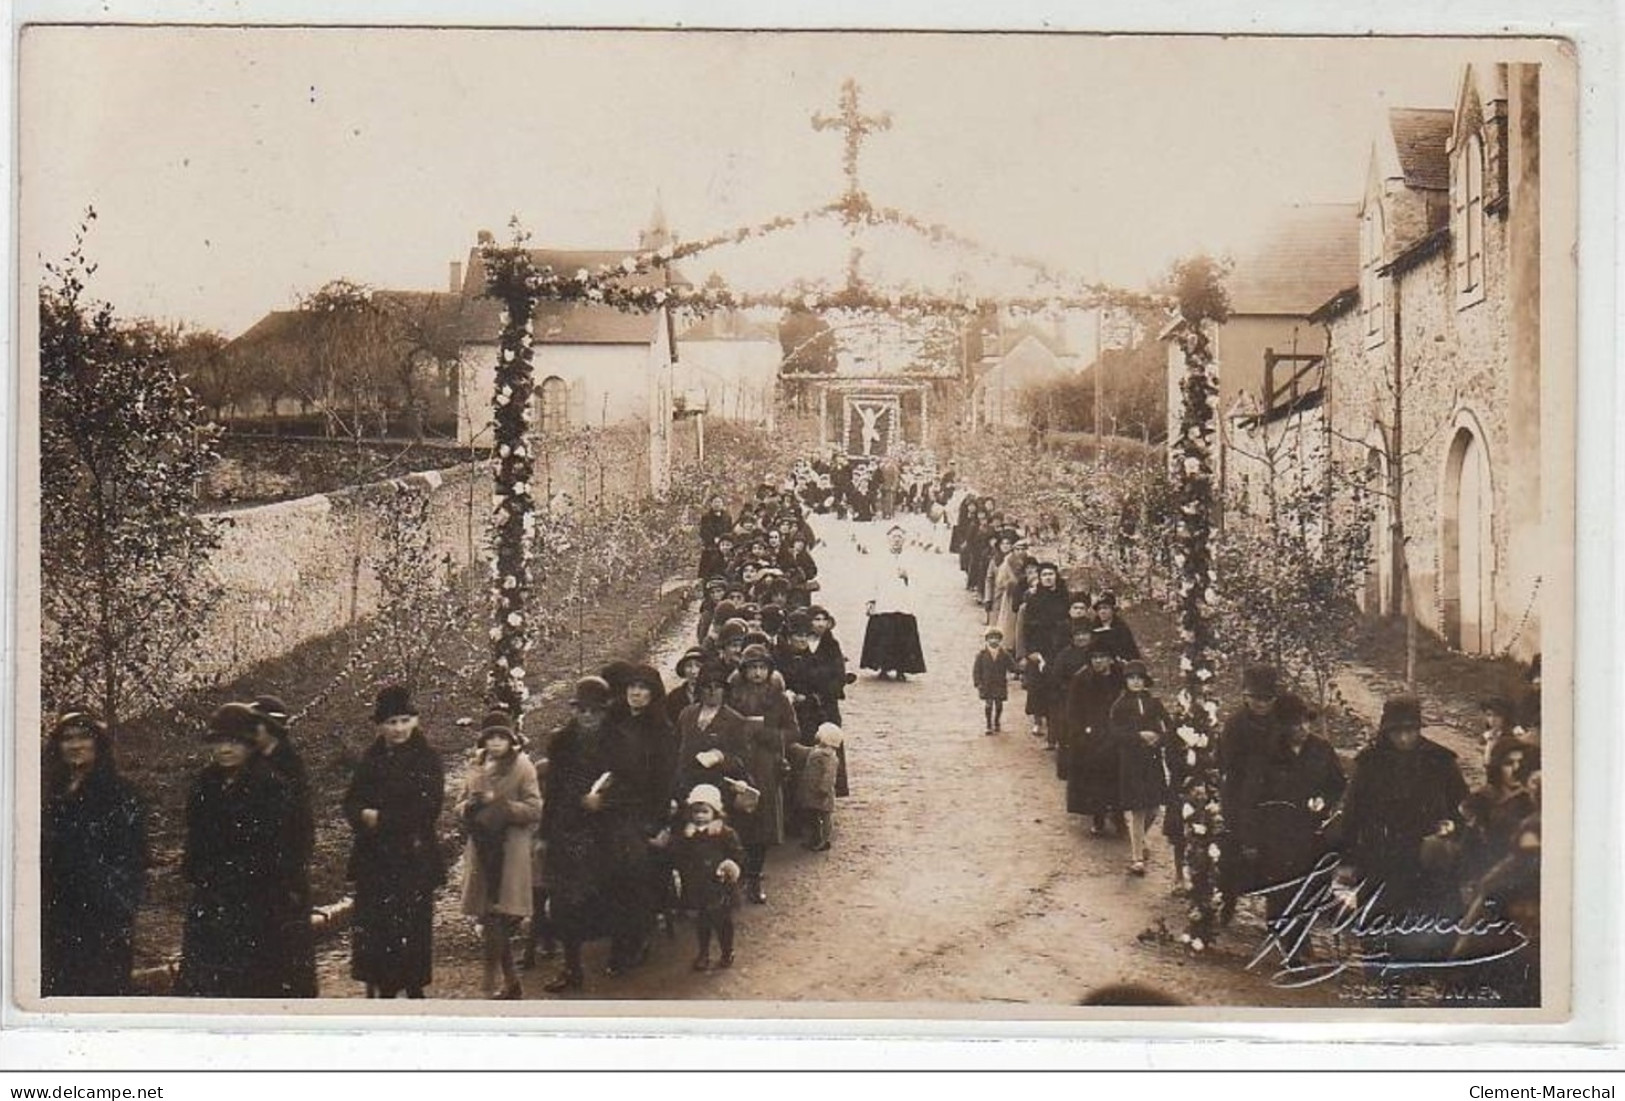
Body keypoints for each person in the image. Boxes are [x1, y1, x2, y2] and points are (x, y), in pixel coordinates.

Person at [537, 676, 651, 992]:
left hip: (607, 828)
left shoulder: (621, 742)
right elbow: (554, 791)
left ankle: (619, 951)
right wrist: (545, 834)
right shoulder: (561, 742)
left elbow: (635, 787)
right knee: (563, 901)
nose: (587, 717)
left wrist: (605, 800)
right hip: (569, 828)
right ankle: (571, 966)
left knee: (614, 889)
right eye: (581, 711)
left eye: (594, 712)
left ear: (605, 712)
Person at [1339, 695, 1470, 964]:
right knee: (1379, 921)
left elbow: (1463, 807)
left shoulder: (1440, 761)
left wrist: (1452, 830)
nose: (1403, 738)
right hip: (1380, 855)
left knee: (1427, 919)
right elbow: (1353, 813)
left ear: (1418, 729)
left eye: (1409, 730)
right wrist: (1348, 860)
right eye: (1397, 731)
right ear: (1386, 731)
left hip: (1426, 855)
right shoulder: (1370, 763)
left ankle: (1420, 971)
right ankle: (1384, 979)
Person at [176, 702, 292, 998]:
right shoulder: (205, 784)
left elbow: (277, 849)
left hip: (254, 903)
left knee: (250, 984)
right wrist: (197, 873)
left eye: (234, 741)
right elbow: (196, 836)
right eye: (219, 742)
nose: (225, 749)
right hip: (210, 899)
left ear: (250, 744)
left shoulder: (270, 786)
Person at [343, 684, 446, 1000]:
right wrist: (360, 814)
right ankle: (383, 986)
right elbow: (351, 800)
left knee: (411, 926)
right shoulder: (370, 759)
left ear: (414, 721)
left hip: (412, 857)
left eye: (404, 720)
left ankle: (413, 986)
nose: (398, 728)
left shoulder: (427, 759)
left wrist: (382, 819)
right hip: (375, 860)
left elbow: (427, 808)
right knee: (378, 927)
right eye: (391, 722)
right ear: (380, 726)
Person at [40, 710, 146, 997]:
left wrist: (115, 903)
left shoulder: (122, 794)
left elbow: (133, 859)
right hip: (56, 911)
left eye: (84, 737)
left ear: (98, 743)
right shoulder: (48, 794)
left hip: (102, 916)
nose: (75, 745)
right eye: (67, 738)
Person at [1237, 694, 1346, 932]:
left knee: (1309, 886)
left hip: (1310, 832)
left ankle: (1300, 936)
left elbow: (1336, 783)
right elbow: (1250, 798)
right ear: (1282, 726)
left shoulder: (1321, 749)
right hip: (1275, 834)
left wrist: (1324, 800)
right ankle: (1286, 940)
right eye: (1296, 724)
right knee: (1281, 889)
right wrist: (1250, 840)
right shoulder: (1266, 753)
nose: (1303, 729)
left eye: (1307, 722)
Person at [458, 712, 542, 1000]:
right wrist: (468, 805)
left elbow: (534, 808)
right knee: (488, 915)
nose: (495, 743)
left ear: (511, 739)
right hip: (481, 847)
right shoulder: (476, 766)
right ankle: (509, 981)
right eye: (490, 738)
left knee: (500, 914)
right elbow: (459, 804)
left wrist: (501, 804)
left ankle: (498, 979)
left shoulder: (522, 767)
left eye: (501, 737)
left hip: (509, 848)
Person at [246, 695, 318, 999]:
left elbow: (300, 826)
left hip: (285, 871)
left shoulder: (288, 765)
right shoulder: (255, 762)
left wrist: (291, 868)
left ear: (271, 729)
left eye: (255, 726)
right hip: (262, 870)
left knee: (289, 946)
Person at [726, 645, 796, 905]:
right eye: (752, 668)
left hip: (766, 766)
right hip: (739, 764)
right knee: (737, 821)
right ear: (743, 671)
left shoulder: (778, 698)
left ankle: (754, 878)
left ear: (769, 671)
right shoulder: (732, 695)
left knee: (762, 825)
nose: (757, 673)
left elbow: (793, 732)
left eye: (762, 668)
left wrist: (768, 734)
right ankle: (737, 878)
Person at [1216, 665, 1280, 925]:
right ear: (1246, 696)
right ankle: (1228, 902)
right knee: (1234, 853)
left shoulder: (1281, 722)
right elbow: (1225, 761)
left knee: (1273, 856)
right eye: (1256, 698)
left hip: (1273, 795)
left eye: (1267, 699)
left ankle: (1274, 914)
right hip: (1240, 795)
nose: (1262, 704)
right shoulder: (1235, 724)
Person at [658, 784, 744, 972]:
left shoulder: (724, 833)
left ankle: (727, 951)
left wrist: (729, 866)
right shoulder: (687, 835)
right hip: (697, 885)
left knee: (723, 922)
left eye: (704, 811)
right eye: (695, 812)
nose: (699, 816)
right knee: (702, 922)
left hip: (720, 886)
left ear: (715, 812)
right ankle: (703, 953)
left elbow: (737, 854)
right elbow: (677, 854)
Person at [1111, 661, 1172, 878]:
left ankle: (1141, 839)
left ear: (1145, 681)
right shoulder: (1119, 705)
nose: (1135, 682)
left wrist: (1159, 739)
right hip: (1131, 761)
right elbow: (1115, 734)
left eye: (1139, 678)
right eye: (1131, 678)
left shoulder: (1154, 702)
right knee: (1137, 809)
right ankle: (1137, 858)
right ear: (1126, 682)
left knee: (1154, 808)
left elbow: (1170, 726)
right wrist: (1138, 736)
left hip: (1152, 761)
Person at [1065, 640, 1125, 835]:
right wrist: (1080, 733)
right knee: (1095, 778)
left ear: (1110, 659)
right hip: (1093, 734)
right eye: (1094, 658)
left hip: (1116, 732)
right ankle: (1098, 817)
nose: (1098, 662)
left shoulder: (1120, 677)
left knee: (1118, 776)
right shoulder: (1082, 679)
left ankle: (1118, 815)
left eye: (1102, 658)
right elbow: (1073, 709)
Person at [860, 525, 927, 681]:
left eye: (899, 537)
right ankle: (883, 667)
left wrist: (908, 575)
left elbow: (920, 580)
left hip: (903, 602)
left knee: (903, 637)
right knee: (884, 636)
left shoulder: (911, 558)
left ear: (904, 540)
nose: (896, 540)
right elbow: (872, 579)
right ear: (888, 539)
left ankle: (901, 669)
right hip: (884, 602)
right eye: (894, 537)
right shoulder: (879, 558)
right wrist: (870, 600)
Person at [1046, 620, 1099, 774]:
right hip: (1068, 699)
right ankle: (1066, 768)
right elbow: (1056, 678)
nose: (1081, 638)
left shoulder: (1097, 654)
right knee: (1067, 733)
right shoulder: (1065, 655)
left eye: (1085, 634)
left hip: (1092, 699)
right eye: (1078, 635)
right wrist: (1069, 689)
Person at [787, 723, 843, 851]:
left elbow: (829, 776)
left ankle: (823, 840)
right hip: (812, 791)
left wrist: (824, 788)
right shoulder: (819, 751)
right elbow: (806, 751)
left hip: (820, 793)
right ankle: (814, 839)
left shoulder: (829, 758)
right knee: (812, 817)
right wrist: (795, 747)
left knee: (823, 818)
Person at [972, 627, 1018, 734]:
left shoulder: (1004, 654)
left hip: (999, 683)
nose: (994, 640)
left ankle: (997, 721)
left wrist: (1019, 670)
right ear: (987, 639)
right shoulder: (981, 655)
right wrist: (977, 682)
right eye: (991, 638)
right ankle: (988, 724)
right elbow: (976, 670)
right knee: (988, 704)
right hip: (986, 683)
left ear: (1000, 639)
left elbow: (1012, 666)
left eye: (996, 638)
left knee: (999, 704)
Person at [1088, 591, 1141, 661]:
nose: (1102, 611)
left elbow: (1131, 651)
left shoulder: (1121, 629)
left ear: (1112, 610)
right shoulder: (1093, 628)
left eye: (1105, 608)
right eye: (1099, 609)